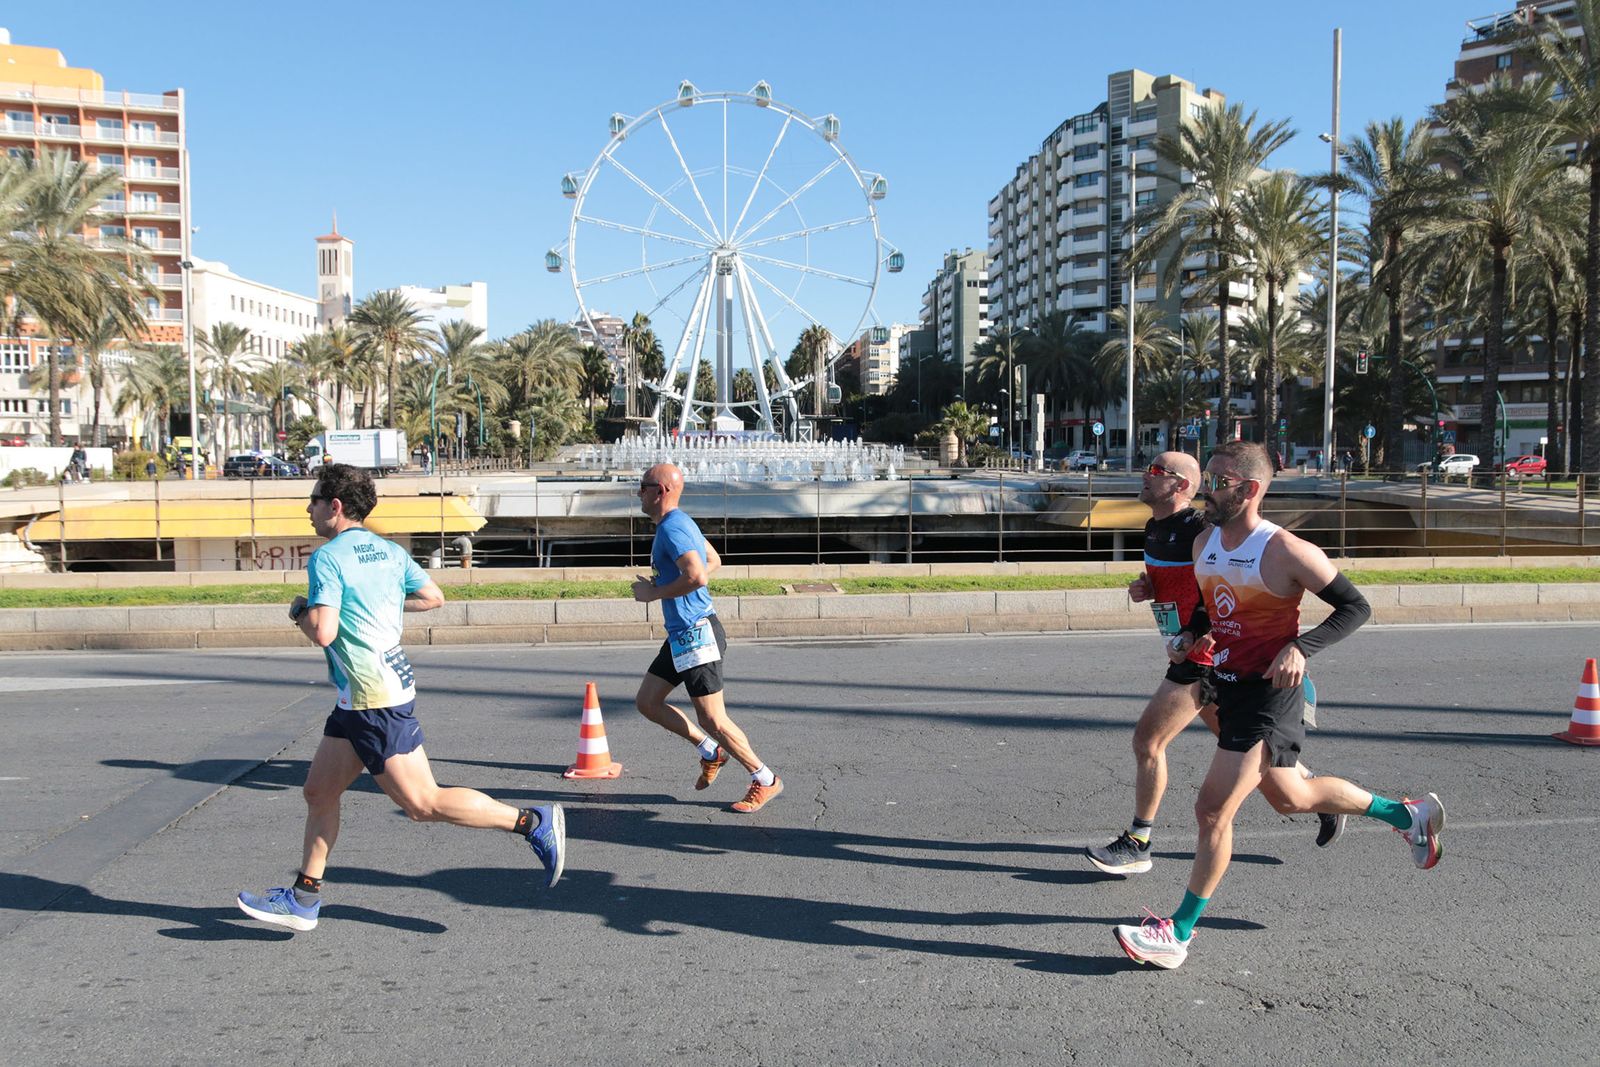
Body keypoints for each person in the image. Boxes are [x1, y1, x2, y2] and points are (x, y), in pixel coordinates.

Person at [1113, 441, 1445, 970]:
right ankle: (1406, 814)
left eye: (1219, 480)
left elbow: (1355, 607)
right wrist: (1192, 636)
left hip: (1270, 695)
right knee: (1291, 797)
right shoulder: (1205, 544)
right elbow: (1209, 610)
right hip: (1226, 682)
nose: (1207, 489)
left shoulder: (1286, 550)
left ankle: (1176, 933)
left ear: (1249, 490)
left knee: (1211, 810)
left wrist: (1300, 647)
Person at [237, 462, 564, 932]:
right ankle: (304, 900)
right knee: (319, 791)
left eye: (312, 500)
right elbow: (433, 596)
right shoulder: (387, 551)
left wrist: (300, 613)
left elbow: (324, 632)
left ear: (335, 506)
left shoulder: (327, 558)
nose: (307, 510)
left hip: (374, 696)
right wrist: (379, 607)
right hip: (362, 696)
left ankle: (532, 822)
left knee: (422, 804)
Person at [1086, 452, 1342, 877]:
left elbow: (1226, 579)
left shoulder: (1201, 528)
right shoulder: (1155, 528)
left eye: (1156, 472)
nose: (1145, 477)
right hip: (1189, 646)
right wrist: (1150, 587)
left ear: (1181, 485)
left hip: (1204, 656)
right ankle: (1320, 798)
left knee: (1148, 742)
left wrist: (1211, 632)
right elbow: (1188, 583)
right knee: (1265, 771)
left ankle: (1139, 841)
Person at [632, 462, 783, 814]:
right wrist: (667, 585)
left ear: (661, 491)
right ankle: (709, 751)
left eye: (643, 486)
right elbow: (712, 560)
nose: (638, 492)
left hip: (696, 633)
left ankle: (765, 779)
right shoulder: (678, 524)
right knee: (647, 702)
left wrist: (654, 594)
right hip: (681, 635)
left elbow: (699, 576)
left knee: (714, 720)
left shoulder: (673, 529)